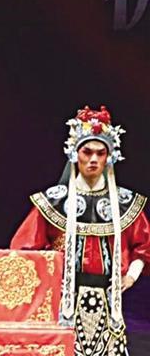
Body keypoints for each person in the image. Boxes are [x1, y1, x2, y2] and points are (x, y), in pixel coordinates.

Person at [11, 106, 150, 356]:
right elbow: (24, 252)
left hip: (110, 303)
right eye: (87, 152)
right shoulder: (54, 202)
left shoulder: (125, 204)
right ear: (75, 154)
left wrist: (130, 276)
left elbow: (144, 246)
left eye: (100, 153)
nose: (93, 159)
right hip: (63, 301)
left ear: (109, 157)